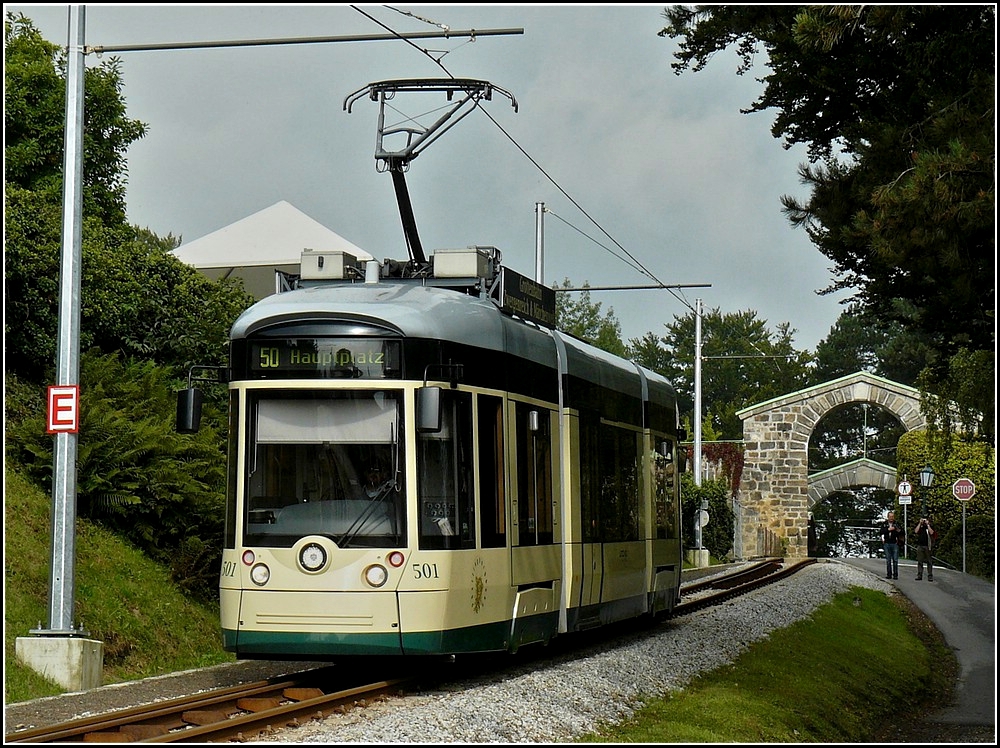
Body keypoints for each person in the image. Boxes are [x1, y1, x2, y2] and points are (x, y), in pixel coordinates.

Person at [879, 511, 905, 579]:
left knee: (895, 560)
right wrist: (888, 529)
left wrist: (896, 529)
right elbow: (881, 531)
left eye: (892, 517)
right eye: (890, 517)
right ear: (888, 517)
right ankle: (889, 574)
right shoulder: (884, 524)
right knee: (888, 560)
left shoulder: (897, 524)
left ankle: (895, 575)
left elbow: (903, 532)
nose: (891, 518)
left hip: (895, 543)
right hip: (887, 543)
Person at [912, 516, 935, 581]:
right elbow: (916, 531)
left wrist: (928, 525)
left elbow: (932, 532)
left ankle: (930, 575)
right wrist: (920, 523)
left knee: (929, 561)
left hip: (928, 545)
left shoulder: (930, 526)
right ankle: (919, 575)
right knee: (920, 561)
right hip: (920, 545)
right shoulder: (920, 527)